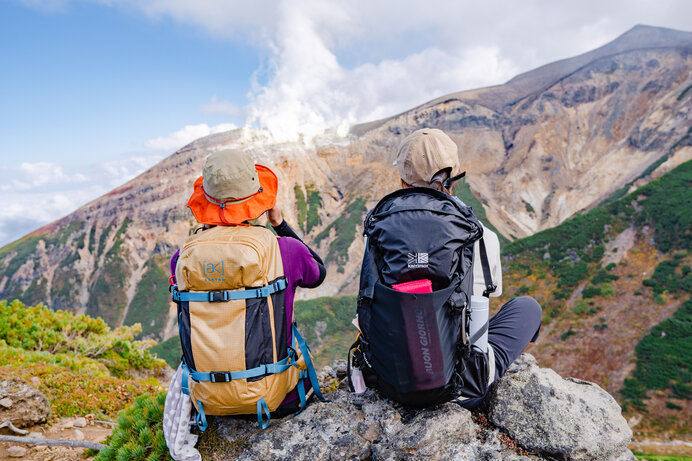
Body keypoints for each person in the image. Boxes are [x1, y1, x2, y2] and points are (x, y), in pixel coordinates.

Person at [355, 128, 542, 410]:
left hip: (389, 384)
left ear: (403, 180)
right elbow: (487, 296)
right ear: (452, 178)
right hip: (461, 390)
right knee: (528, 307)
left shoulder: (379, 230)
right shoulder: (480, 235)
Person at [163, 148, 326, 460]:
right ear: (258, 201)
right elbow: (318, 273)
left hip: (209, 404)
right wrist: (280, 224)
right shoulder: (286, 250)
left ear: (206, 202)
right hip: (279, 401)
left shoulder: (181, 259)